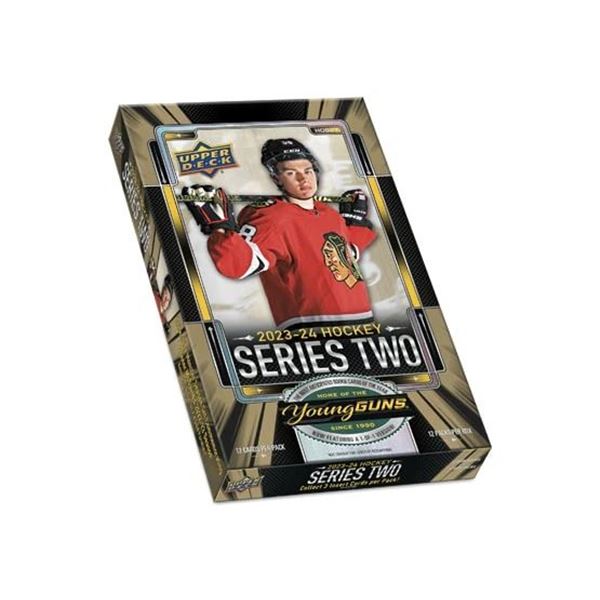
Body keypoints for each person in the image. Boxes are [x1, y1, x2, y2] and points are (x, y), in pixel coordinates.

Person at [184, 138, 377, 330]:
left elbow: (344, 256)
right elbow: (238, 265)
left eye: (307, 170)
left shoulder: (329, 214)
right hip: (313, 329)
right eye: (291, 173)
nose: (303, 179)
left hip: (365, 322)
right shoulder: (271, 217)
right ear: (276, 178)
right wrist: (220, 228)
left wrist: (354, 222)